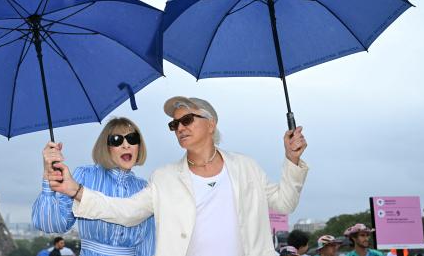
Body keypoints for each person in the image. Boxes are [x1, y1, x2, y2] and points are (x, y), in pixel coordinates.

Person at [47, 96, 309, 256]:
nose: (179, 128)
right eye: (174, 124)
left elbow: (285, 203)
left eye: (187, 120)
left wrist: (292, 159)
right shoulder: (164, 178)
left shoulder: (247, 167)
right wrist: (75, 190)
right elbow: (125, 211)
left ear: (211, 123)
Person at [32, 117, 155, 256]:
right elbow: (50, 224)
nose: (126, 145)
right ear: (105, 147)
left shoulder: (145, 188)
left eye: (132, 138)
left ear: (139, 145)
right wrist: (48, 181)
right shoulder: (85, 176)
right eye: (116, 140)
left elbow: (148, 244)